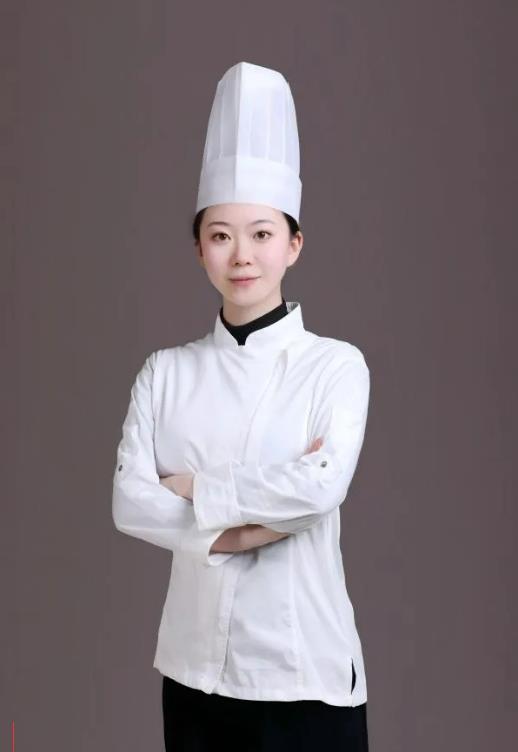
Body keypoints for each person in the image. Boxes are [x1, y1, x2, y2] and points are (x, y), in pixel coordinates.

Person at [112, 61, 371, 751]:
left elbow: (320, 489)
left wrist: (196, 490)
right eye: (221, 235)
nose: (242, 256)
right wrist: (241, 532)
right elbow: (129, 502)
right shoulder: (165, 373)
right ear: (200, 248)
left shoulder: (334, 366)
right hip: (192, 674)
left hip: (304, 675)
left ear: (294, 244)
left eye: (262, 233)